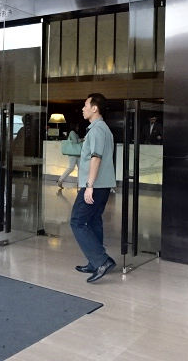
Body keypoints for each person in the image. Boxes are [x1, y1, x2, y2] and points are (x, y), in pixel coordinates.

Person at [70, 93, 117, 283]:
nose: (83, 109)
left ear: (94, 108)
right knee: (92, 221)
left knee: (77, 221)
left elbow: (96, 158)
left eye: (85, 105)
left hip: (95, 185)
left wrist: (89, 185)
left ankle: (101, 261)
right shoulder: (102, 129)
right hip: (101, 185)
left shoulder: (97, 130)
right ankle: (95, 262)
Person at [57, 124, 81, 189]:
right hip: (73, 154)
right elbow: (75, 141)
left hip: (77, 153)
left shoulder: (75, 133)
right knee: (71, 168)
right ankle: (60, 180)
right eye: (77, 126)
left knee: (80, 169)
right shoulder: (72, 132)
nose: (78, 127)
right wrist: (81, 140)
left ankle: (79, 184)